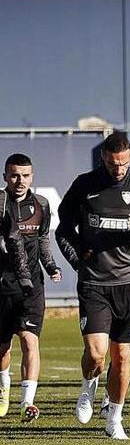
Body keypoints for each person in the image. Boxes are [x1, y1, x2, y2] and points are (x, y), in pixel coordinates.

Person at [56, 131, 130, 440]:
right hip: (94, 282)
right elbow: (63, 227)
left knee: (123, 356)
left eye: (124, 164)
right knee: (97, 353)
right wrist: (77, 260)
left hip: (127, 284)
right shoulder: (85, 185)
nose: (119, 170)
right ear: (104, 158)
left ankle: (115, 416)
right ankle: (88, 386)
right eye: (114, 164)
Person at [0, 154, 49, 422]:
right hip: (3, 285)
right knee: (3, 348)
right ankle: (3, 388)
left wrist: (51, 267)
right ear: (5, 176)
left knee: (30, 340)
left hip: (33, 286)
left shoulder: (41, 203)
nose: (20, 181)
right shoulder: (0, 203)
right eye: (15, 175)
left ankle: (27, 403)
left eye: (26, 175)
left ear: (32, 176)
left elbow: (43, 240)